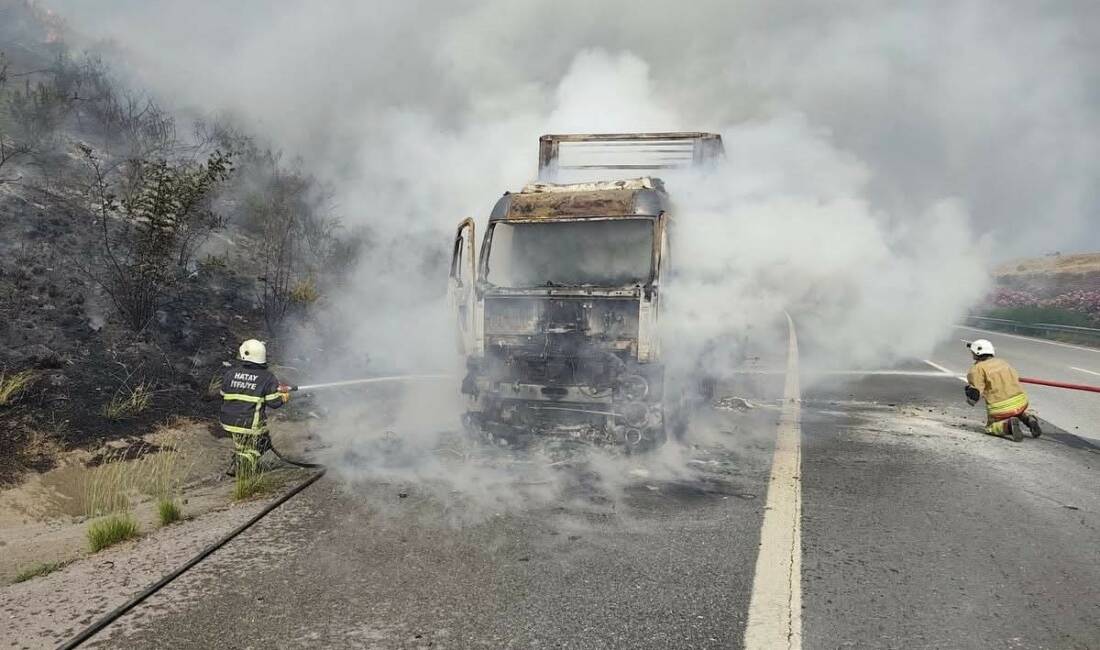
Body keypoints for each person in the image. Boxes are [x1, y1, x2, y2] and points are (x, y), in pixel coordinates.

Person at [219, 339, 290, 475]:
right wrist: (283, 396)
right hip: (250, 424)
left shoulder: (230, 374)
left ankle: (241, 459)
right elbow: (274, 403)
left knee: (243, 444)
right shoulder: (268, 378)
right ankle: (242, 464)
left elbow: (223, 394)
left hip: (228, 421)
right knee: (261, 444)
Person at [964, 339, 1042, 442]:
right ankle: (1029, 419)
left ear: (977, 353)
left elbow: (975, 395)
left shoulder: (977, 369)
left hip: (1001, 408)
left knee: (990, 427)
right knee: (1019, 412)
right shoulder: (1003, 362)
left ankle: (1008, 425)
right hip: (1021, 401)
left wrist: (969, 392)